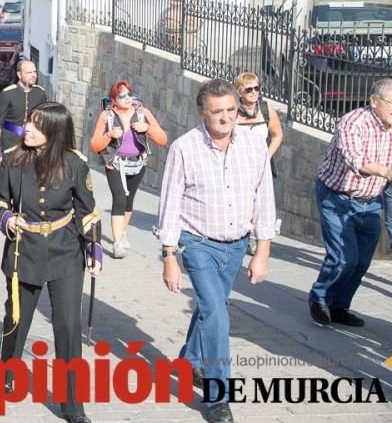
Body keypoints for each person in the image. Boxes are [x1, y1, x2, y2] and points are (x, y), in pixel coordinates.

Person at [157, 78, 276, 423]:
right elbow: (170, 203)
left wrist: (262, 251)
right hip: (197, 244)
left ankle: (188, 361)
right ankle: (217, 396)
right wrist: (169, 257)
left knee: (212, 309)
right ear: (201, 113)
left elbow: (264, 198)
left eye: (231, 110)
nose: (225, 118)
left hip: (237, 245)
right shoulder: (184, 148)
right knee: (218, 314)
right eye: (217, 112)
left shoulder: (255, 146)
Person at [0, 102, 102, 423]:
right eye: (28, 122)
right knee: (17, 318)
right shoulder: (13, 160)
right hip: (23, 250)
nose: (28, 128)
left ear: (54, 131)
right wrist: (6, 218)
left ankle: (73, 404)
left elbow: (87, 211)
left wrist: (94, 250)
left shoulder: (74, 165)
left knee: (67, 326)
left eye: (37, 126)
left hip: (65, 251)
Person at [309, 78, 392, 328]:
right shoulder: (353, 122)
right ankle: (319, 298)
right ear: (374, 101)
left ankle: (340, 306)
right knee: (343, 258)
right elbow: (355, 160)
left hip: (371, 200)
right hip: (337, 198)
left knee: (363, 260)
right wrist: (386, 171)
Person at [89, 81, 167, 258]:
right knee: (119, 199)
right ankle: (117, 243)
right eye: (122, 95)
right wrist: (109, 135)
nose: (127, 98)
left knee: (128, 200)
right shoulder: (106, 116)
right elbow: (94, 145)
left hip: (137, 163)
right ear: (113, 99)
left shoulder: (142, 113)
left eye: (129, 94)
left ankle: (122, 233)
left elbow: (162, 139)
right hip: (115, 164)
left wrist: (148, 128)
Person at [234, 72, 284, 255]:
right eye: (249, 90)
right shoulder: (233, 112)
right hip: (239, 166)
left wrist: (267, 156)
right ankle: (240, 235)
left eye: (257, 88)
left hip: (262, 166)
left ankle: (257, 240)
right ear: (240, 92)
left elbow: (277, 134)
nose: (254, 92)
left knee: (261, 204)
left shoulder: (265, 108)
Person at [0, 61, 47, 164]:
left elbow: (44, 121)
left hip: (33, 144)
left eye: (34, 72)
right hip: (10, 144)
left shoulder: (40, 93)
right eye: (29, 73)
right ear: (19, 74)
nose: (34, 75)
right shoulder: (7, 93)